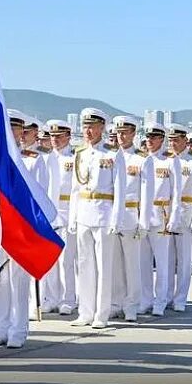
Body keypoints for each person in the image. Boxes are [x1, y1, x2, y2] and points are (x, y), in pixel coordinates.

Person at [0, 109, 49, 348]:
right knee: (0, 281)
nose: (11, 133)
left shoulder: (33, 159)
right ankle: (1, 327)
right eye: (8, 127)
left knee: (19, 280)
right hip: (0, 226)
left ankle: (19, 328)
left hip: (23, 228)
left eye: (15, 128)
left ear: (22, 132)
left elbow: (41, 196)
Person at [68, 108, 126, 328]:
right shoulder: (80, 153)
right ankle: (85, 311)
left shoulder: (112, 154)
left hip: (104, 214)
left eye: (92, 126)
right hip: (84, 213)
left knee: (104, 266)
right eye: (85, 126)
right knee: (84, 265)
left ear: (102, 127)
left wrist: (115, 219)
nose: (88, 131)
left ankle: (101, 314)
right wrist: (73, 216)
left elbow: (119, 190)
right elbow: (76, 189)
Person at [138, 122, 182, 317]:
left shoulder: (170, 161)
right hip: (142, 216)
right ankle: (145, 299)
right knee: (143, 262)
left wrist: (174, 217)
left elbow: (177, 192)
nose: (150, 141)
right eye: (148, 137)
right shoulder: (141, 159)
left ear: (162, 140)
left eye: (154, 138)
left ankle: (161, 300)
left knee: (162, 263)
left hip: (161, 215)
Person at [110, 115, 152, 322]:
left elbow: (147, 193)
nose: (121, 136)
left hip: (131, 216)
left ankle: (132, 304)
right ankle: (116, 302)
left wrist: (143, 221)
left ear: (134, 134)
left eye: (125, 132)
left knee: (132, 264)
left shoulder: (142, 159)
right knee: (115, 264)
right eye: (118, 132)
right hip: (111, 217)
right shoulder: (110, 157)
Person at [167, 124, 192, 312]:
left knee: (183, 261)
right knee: (167, 260)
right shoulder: (166, 160)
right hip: (166, 215)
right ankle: (166, 295)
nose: (173, 144)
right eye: (171, 140)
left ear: (185, 141)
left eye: (176, 140)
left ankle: (180, 298)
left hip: (186, 213)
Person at [43, 119, 77, 315]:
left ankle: (68, 298)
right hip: (49, 213)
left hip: (67, 211)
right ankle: (51, 297)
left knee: (67, 260)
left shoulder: (73, 160)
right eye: (52, 136)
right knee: (51, 259)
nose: (55, 140)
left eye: (59, 136)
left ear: (68, 137)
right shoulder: (45, 159)